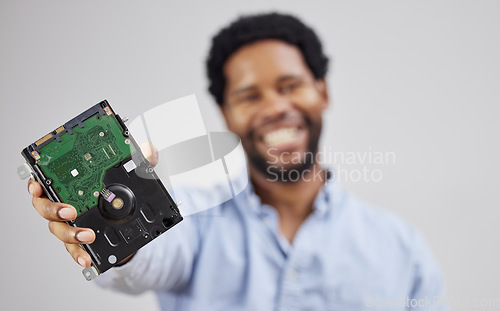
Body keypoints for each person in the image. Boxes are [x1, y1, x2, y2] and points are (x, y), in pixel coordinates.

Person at [27, 12, 447, 310]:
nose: (274, 107)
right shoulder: (189, 214)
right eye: (249, 96)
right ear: (226, 113)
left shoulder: (400, 249)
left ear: (322, 92)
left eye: (290, 85)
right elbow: (144, 265)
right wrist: (111, 217)